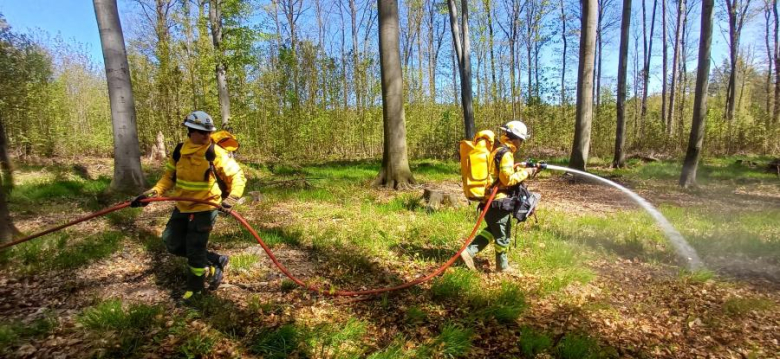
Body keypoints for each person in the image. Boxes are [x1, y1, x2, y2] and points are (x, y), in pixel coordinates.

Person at [131, 111, 246, 300]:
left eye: (209, 132)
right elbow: (167, 179)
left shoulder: (214, 152)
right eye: (203, 133)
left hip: (206, 208)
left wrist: (231, 199)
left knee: (194, 249)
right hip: (182, 206)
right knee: (171, 242)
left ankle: (195, 290)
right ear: (191, 131)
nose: (207, 136)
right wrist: (149, 195)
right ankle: (215, 261)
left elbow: (237, 176)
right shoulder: (179, 151)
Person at [460, 120, 538, 274]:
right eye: (521, 140)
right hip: (498, 201)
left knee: (494, 230)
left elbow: (501, 172)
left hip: (491, 200)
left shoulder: (498, 150)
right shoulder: (506, 153)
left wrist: (523, 168)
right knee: (503, 235)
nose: (521, 143)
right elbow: (507, 179)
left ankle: (468, 252)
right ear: (515, 138)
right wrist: (527, 173)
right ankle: (502, 267)